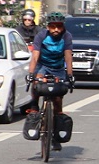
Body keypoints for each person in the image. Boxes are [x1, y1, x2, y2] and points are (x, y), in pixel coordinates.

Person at [24, 12, 73, 144]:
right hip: (42, 65)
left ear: (63, 27)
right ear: (48, 27)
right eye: (53, 26)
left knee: (58, 97)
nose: (56, 29)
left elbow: (68, 56)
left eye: (59, 26)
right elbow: (35, 56)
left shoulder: (66, 36)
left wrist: (70, 75)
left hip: (58, 68)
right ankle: (34, 106)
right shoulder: (41, 35)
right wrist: (31, 73)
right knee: (37, 82)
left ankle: (56, 134)